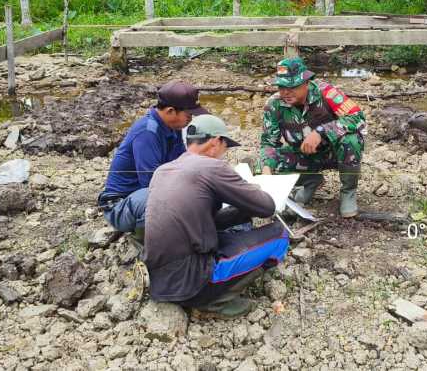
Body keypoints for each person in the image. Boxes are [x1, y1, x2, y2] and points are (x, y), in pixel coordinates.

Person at [144, 115, 289, 318]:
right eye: (225, 147)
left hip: (161, 281)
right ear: (214, 143)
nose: (224, 153)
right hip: (194, 284)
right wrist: (253, 189)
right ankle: (213, 302)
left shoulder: (163, 170)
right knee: (279, 236)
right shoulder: (211, 167)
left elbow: (208, 219)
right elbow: (266, 207)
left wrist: (243, 210)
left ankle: (207, 290)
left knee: (238, 223)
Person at [97, 81, 207, 238]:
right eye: (188, 115)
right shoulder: (147, 133)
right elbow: (151, 183)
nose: (191, 119)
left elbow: (182, 163)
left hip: (141, 197)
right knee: (166, 196)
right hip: (120, 205)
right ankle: (148, 242)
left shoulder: (172, 128)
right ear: (170, 111)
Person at [259, 57, 366, 218]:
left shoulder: (327, 93)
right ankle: (311, 181)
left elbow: (358, 118)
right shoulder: (274, 105)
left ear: (306, 82)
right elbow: (269, 143)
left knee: (351, 139)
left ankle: (348, 192)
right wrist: (267, 172)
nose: (285, 92)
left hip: (335, 153)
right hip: (304, 155)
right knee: (261, 165)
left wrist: (321, 131)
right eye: (281, 87)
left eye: (291, 86)